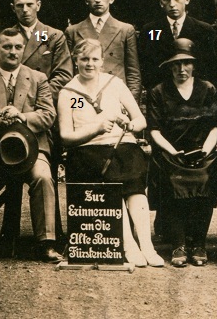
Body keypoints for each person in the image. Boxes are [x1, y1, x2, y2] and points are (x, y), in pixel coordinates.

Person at [57, 39, 164, 268]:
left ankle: (146, 245)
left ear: (102, 62)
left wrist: (128, 124)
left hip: (121, 144)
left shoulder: (114, 84)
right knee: (112, 185)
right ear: (76, 60)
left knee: (134, 185)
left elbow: (140, 120)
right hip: (88, 151)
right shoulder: (70, 93)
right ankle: (128, 246)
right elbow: (66, 136)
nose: (89, 64)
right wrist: (95, 128)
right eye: (84, 59)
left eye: (95, 59)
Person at [0, 28, 63, 267]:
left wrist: (22, 117)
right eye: (7, 47)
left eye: (18, 47)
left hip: (31, 149)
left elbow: (49, 115)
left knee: (43, 177)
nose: (12, 52)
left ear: (24, 49)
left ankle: (46, 243)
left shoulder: (38, 78)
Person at [0, 0, 73, 250]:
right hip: (10, 117)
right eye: (20, 6)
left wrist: (31, 101)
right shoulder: (7, 37)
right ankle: (10, 235)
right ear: (13, 8)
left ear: (38, 5)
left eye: (30, 4)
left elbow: (63, 76)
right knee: (10, 169)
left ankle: (51, 235)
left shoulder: (54, 36)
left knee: (44, 174)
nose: (25, 10)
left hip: (41, 115)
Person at [146, 39, 217, 267]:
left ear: (193, 65)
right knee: (172, 179)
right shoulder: (158, 91)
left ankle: (198, 242)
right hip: (170, 152)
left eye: (186, 63)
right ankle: (178, 244)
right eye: (176, 65)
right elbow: (154, 130)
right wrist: (172, 151)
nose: (181, 69)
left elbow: (215, 126)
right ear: (169, 66)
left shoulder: (208, 89)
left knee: (207, 177)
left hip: (202, 152)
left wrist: (205, 151)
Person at [139, 0, 217, 92]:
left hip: (197, 98)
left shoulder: (204, 30)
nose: (172, 4)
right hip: (162, 98)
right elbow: (144, 67)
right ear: (161, 3)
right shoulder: (150, 30)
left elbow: (216, 67)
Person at [65, 0, 141, 101]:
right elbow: (68, 72)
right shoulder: (72, 31)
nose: (98, 0)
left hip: (115, 96)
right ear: (86, 0)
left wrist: (129, 104)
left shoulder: (126, 30)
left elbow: (133, 73)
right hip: (83, 95)